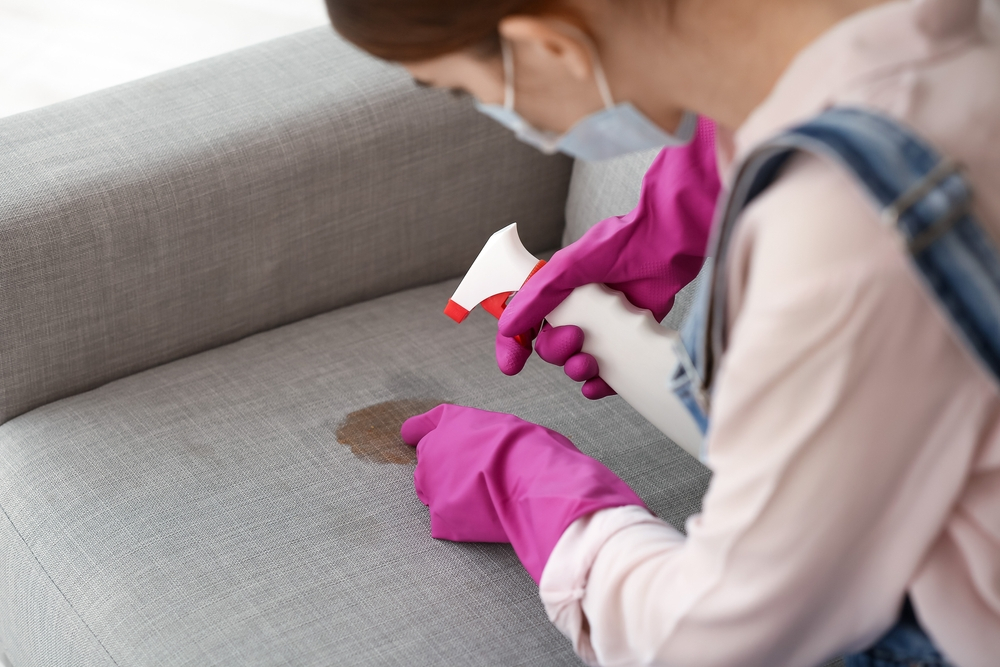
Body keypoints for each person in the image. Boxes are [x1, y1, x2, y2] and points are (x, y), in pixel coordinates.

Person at [326, 0, 1000, 665]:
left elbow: (715, 641)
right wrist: (694, 191)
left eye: (462, 90)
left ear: (550, 46)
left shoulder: (843, 227)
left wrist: (531, 493)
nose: (512, 123)